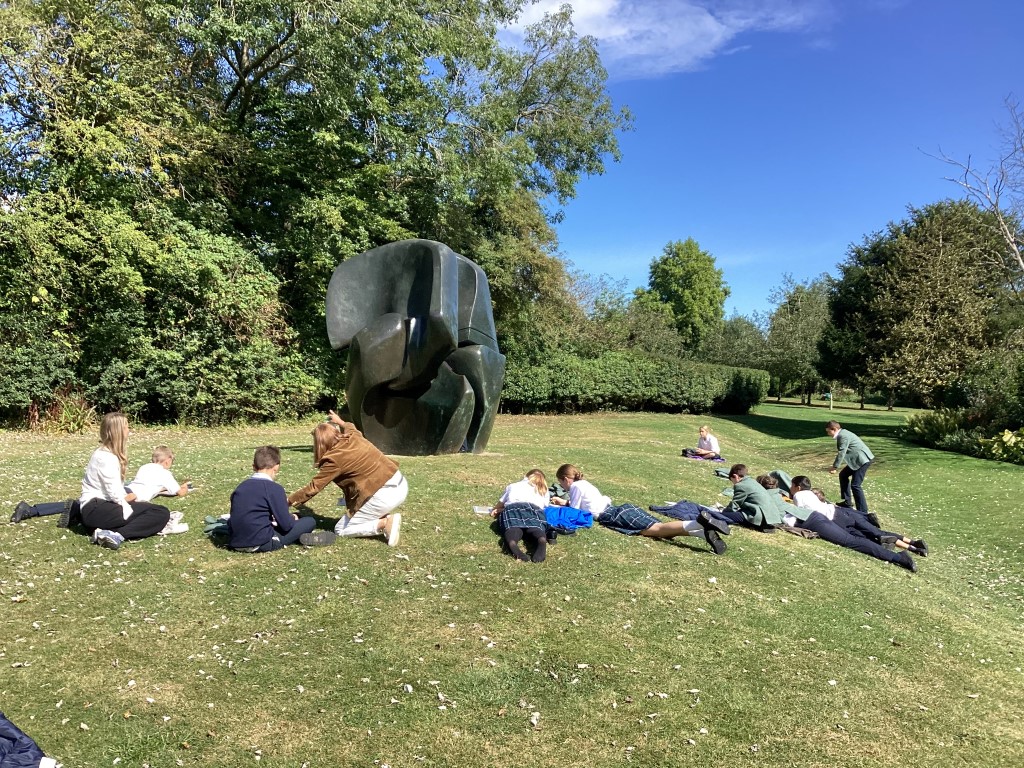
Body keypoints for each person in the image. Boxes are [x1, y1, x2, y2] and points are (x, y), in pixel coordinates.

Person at [287, 410, 407, 546]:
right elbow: (350, 426)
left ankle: (383, 523)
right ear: (336, 432)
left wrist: (289, 501)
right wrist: (339, 421)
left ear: (320, 443)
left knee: (341, 529)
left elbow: (314, 487)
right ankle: (379, 517)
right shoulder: (353, 436)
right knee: (359, 512)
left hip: (384, 495)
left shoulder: (334, 460)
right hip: (400, 483)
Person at [555, 464, 730, 555]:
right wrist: (563, 502)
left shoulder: (575, 487)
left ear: (565, 479)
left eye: (561, 483)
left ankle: (698, 522)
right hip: (620, 509)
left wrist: (556, 506)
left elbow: (575, 511)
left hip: (612, 515)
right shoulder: (584, 484)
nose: (563, 487)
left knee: (658, 530)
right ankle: (702, 532)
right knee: (658, 530)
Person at [12, 445, 191, 526]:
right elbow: (178, 493)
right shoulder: (165, 473)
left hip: (127, 488)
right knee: (84, 506)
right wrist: (184, 486)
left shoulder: (146, 467)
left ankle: (33, 510)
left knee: (83, 503)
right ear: (167, 461)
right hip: (130, 497)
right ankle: (71, 514)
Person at [784, 475, 918, 572]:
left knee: (852, 541)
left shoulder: (798, 495)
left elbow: (800, 513)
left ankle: (898, 556)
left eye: (791, 486)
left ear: (798, 487)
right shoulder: (810, 493)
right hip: (837, 514)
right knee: (862, 537)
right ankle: (905, 550)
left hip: (825, 520)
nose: (790, 488)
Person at [79, 412, 172, 550]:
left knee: (142, 508)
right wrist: (132, 498)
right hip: (97, 510)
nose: (129, 430)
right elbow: (114, 495)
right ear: (118, 431)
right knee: (161, 512)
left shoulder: (103, 453)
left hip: (95, 509)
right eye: (126, 427)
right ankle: (117, 535)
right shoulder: (106, 458)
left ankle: (103, 531)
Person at [227, 446, 319, 552]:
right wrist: (294, 517)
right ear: (276, 467)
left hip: (236, 542)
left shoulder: (240, 487)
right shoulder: (274, 489)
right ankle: (302, 537)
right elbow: (286, 525)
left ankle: (300, 537)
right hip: (262, 543)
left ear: (253, 466)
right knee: (309, 521)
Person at [490, 469, 553, 562]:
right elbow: (544, 506)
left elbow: (499, 505)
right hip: (534, 510)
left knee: (513, 528)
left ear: (525, 476)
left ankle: (512, 542)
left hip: (513, 509)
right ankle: (541, 538)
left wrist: (498, 509)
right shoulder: (543, 489)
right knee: (535, 528)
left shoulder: (513, 486)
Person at [825, 420, 876, 522]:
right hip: (857, 460)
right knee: (843, 475)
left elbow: (841, 453)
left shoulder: (843, 436)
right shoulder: (843, 434)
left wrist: (835, 467)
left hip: (863, 460)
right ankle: (847, 502)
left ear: (834, 429)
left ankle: (863, 512)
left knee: (856, 485)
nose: (827, 434)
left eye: (828, 431)